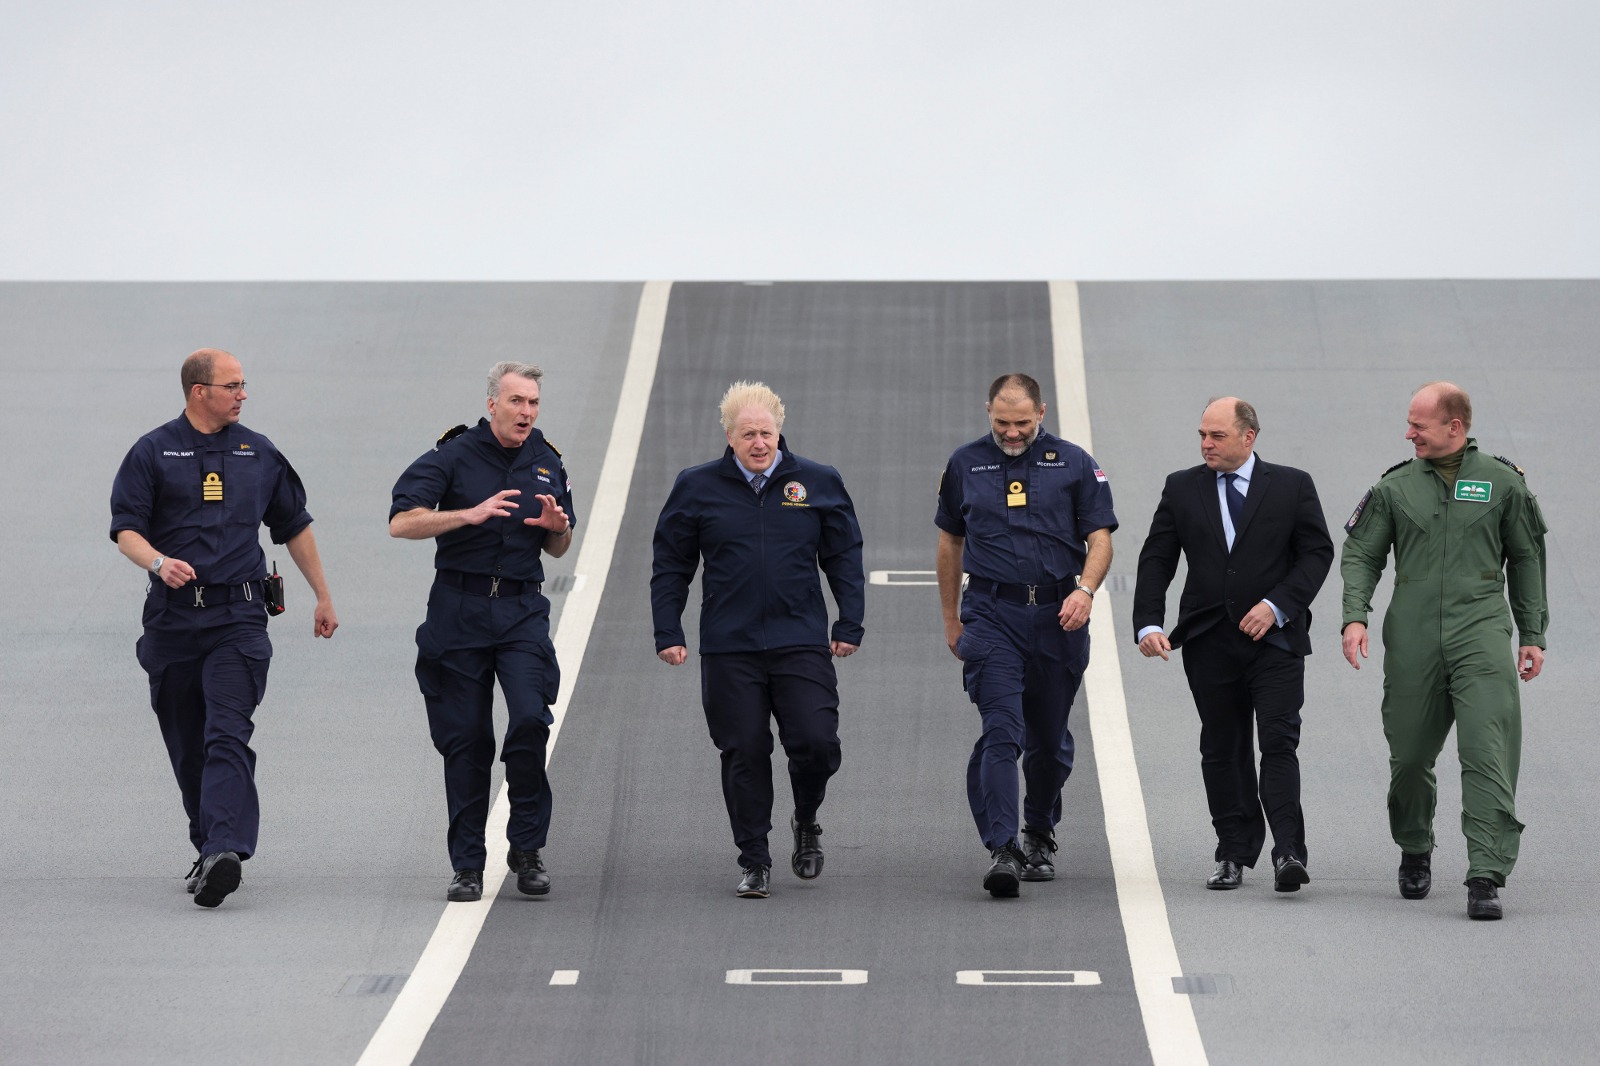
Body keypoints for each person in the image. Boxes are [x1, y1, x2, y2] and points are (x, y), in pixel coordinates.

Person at [110, 348, 338, 909]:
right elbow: (125, 530)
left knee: (226, 731)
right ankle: (210, 845)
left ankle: (227, 850)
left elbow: (294, 526)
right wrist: (159, 563)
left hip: (238, 617)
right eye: (232, 385)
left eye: (243, 386)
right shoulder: (153, 451)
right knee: (187, 741)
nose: (242, 394)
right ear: (198, 391)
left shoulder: (258, 453)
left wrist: (322, 594)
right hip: (173, 620)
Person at [1341, 381, 1548, 920]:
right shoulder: (1393, 488)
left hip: (1480, 628)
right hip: (1411, 633)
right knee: (1409, 756)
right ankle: (1415, 844)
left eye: (1419, 425)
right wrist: (1355, 616)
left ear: (1454, 427)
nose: (1409, 433)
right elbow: (1363, 552)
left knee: (1487, 750)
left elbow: (1527, 559)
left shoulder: (1503, 484)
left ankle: (1486, 873)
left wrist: (1532, 632)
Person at [652, 381, 865, 899]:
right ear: (729, 437)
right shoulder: (696, 486)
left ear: (779, 431)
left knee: (816, 744)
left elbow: (844, 556)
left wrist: (849, 623)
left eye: (766, 432)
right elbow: (671, 564)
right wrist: (668, 630)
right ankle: (755, 859)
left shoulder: (817, 482)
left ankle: (807, 817)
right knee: (743, 750)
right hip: (730, 647)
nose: (759, 443)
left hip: (800, 642)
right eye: (747, 434)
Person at [389, 361, 575, 903]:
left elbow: (560, 545)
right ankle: (468, 864)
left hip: (521, 613)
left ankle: (528, 849)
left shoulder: (548, 461)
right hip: (460, 610)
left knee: (528, 723)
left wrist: (557, 529)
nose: (527, 412)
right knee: (467, 742)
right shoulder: (452, 454)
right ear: (492, 403)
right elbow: (402, 521)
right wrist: (466, 515)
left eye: (534, 403)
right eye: (517, 401)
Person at [1132, 397, 1333, 893]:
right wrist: (1147, 623)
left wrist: (1278, 605)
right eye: (1202, 434)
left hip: (1276, 641)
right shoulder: (1182, 488)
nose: (1206, 444)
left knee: (1279, 743)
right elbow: (1157, 557)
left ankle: (1287, 850)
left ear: (1249, 437)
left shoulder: (1292, 485)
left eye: (1217, 436)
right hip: (1208, 641)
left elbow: (1317, 553)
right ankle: (1233, 852)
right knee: (1223, 748)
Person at [935, 372, 1117, 898]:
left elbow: (1100, 538)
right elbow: (949, 543)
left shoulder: (1076, 463)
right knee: (1002, 730)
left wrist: (1085, 590)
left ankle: (1039, 828)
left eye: (1020, 423)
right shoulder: (964, 463)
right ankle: (1002, 847)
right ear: (986, 411)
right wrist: (951, 618)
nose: (1011, 433)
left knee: (1048, 741)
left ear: (1041, 412)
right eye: (1001, 423)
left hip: (1060, 615)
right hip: (992, 615)